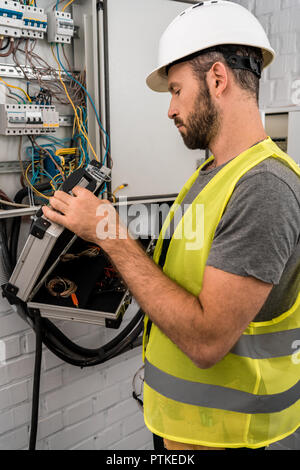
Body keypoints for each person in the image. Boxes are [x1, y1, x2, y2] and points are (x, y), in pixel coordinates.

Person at [42, 1, 300, 451]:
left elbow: (205, 341)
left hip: (226, 437)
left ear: (217, 79)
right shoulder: (211, 174)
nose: (170, 109)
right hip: (186, 428)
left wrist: (110, 235)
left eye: (176, 90)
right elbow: (184, 262)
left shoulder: (264, 187)